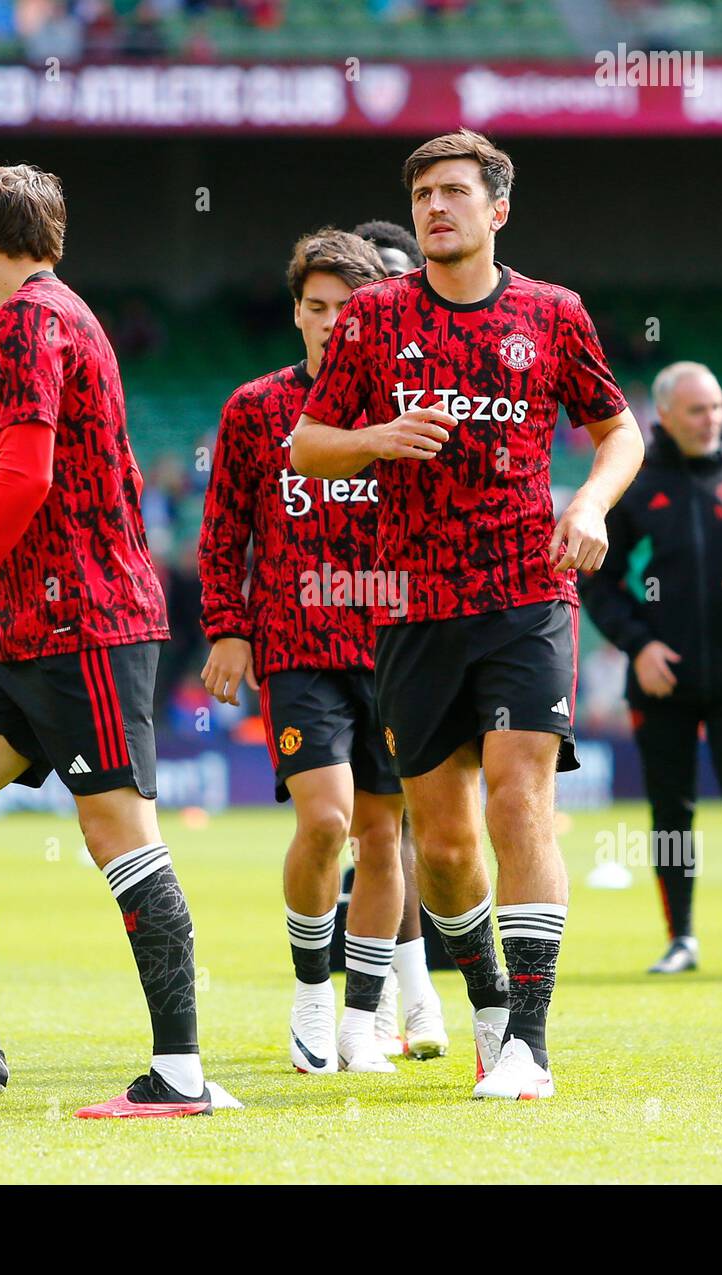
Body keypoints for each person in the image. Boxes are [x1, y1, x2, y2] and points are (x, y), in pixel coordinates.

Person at [291, 129, 644, 1100]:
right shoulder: (369, 321)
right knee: (441, 847)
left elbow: (618, 433)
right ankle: (488, 1002)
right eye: (422, 197)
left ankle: (527, 1041)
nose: (435, 209)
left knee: (519, 800)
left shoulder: (552, 314)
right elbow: (308, 445)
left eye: (454, 192)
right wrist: (373, 438)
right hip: (410, 608)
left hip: (528, 596)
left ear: (497, 208)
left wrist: (587, 505)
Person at [0, 164, 210, 1118]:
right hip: (34, 632)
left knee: (118, 832)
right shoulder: (60, 314)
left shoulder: (25, 321)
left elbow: (23, 475)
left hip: (86, 622)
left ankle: (180, 1072)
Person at [200, 228, 436, 1074]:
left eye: (348, 308)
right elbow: (224, 530)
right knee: (328, 819)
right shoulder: (256, 409)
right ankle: (309, 992)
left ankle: (362, 1019)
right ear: (297, 312)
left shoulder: (411, 410)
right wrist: (228, 626)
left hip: (399, 645)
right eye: (316, 307)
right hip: (298, 644)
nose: (332, 323)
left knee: (384, 836)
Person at [582, 361, 722, 974]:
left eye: (715, 406)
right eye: (696, 410)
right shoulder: (636, 482)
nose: (711, 419)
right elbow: (597, 580)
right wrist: (640, 645)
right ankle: (681, 939)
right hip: (662, 674)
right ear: (664, 416)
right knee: (670, 812)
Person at [350, 218, 448, 1059]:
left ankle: (418, 1000)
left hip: (423, 615)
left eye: (390, 271)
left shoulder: (441, 364)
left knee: (416, 828)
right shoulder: (328, 382)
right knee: (360, 828)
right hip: (325, 631)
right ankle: (379, 1003)